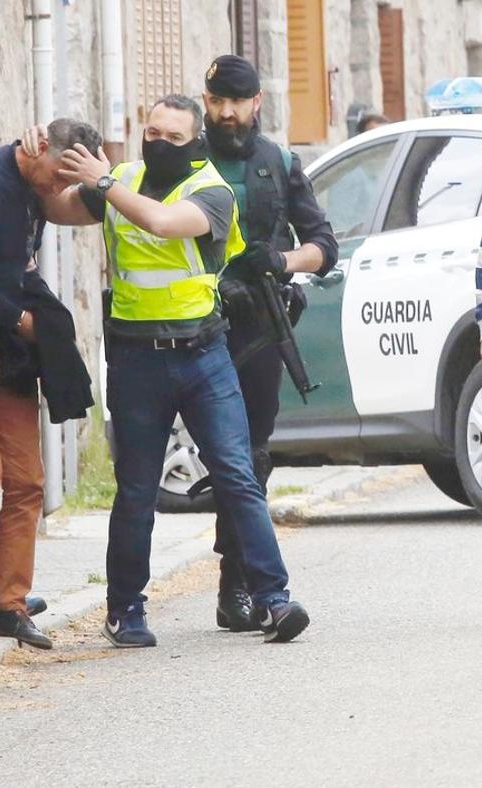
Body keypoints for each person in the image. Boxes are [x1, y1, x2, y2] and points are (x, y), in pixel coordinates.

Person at [42, 94, 310, 647]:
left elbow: (164, 223)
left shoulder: (210, 191)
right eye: (152, 132)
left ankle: (274, 599)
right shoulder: (122, 178)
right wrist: (43, 165)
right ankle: (125, 610)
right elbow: (57, 209)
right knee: (136, 489)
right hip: (136, 358)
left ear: (195, 145)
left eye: (172, 137)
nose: (158, 143)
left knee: (237, 475)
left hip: (203, 354)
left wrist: (104, 182)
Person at [0, 119, 98, 650]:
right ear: (40, 145)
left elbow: (20, 263)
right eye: (58, 174)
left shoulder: (37, 189)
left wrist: (40, 321)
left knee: (28, 482)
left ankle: (10, 604)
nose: (58, 189)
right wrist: (21, 319)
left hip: (14, 357)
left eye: (67, 182)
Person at [199, 55, 337, 630]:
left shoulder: (278, 162)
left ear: (257, 102)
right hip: (196, 326)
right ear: (206, 102)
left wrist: (280, 260)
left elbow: (324, 245)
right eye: (217, 102)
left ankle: (241, 584)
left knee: (251, 455)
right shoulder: (185, 157)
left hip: (258, 329)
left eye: (238, 102)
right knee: (216, 456)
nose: (227, 113)